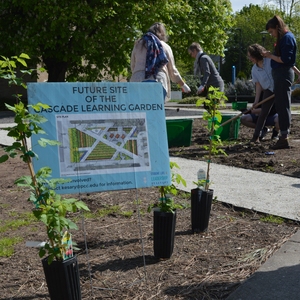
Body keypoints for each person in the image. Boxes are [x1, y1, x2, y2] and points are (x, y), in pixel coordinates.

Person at [262, 15, 300, 149]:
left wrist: (269, 56)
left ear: (277, 28)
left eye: (271, 32)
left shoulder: (287, 38)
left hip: (283, 75)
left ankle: (284, 137)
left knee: (283, 106)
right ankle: (283, 136)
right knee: (281, 105)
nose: (271, 35)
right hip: (281, 74)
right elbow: (289, 61)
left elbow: (285, 60)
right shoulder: (284, 38)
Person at [130, 22, 191, 102]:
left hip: (137, 81)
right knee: (155, 112)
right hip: (158, 80)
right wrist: (183, 85)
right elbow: (172, 70)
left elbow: (133, 65)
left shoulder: (138, 44)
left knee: (140, 112)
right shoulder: (165, 46)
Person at [246, 43, 275, 143]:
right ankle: (256, 136)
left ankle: (282, 134)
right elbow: (258, 86)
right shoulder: (254, 70)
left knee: (283, 110)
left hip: (279, 88)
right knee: (263, 113)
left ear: (256, 54)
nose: (250, 58)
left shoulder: (270, 60)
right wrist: (256, 101)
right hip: (269, 90)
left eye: (251, 56)